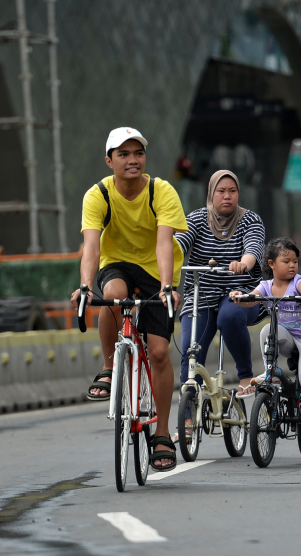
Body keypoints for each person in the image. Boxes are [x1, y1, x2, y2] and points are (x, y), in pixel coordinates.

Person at [70, 127, 187, 472]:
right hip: (117, 264)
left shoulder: (160, 191)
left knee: (161, 351)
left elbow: (165, 242)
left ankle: (162, 433)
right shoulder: (98, 196)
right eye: (123, 154)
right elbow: (92, 245)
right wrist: (85, 285)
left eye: (138, 153)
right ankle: (109, 368)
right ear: (109, 161)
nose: (132, 160)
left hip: (156, 271)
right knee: (112, 296)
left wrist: (167, 286)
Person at [174, 169, 266, 401]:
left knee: (229, 316)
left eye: (232, 191)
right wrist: (164, 259)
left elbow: (253, 249)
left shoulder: (251, 220)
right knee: (190, 349)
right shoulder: (194, 219)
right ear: (211, 193)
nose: (227, 196)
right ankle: (187, 417)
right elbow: (178, 245)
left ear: (238, 194)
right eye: (221, 191)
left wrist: (243, 264)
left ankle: (246, 378)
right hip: (201, 295)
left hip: (241, 292)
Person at [230, 237, 301, 452]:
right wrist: (240, 296)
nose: (292, 265)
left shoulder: (298, 282)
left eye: (295, 261)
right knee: (267, 330)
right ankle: (270, 372)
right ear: (272, 264)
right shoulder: (266, 286)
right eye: (286, 261)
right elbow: (252, 298)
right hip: (288, 338)